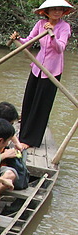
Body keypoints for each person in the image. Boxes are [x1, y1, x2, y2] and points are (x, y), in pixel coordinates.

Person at [10, 0, 74, 149]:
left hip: (52, 72)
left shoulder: (64, 27)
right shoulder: (40, 24)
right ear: (47, 11)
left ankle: (31, 141)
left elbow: (60, 48)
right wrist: (17, 39)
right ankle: (23, 135)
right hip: (37, 67)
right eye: (53, 9)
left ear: (63, 12)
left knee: (41, 105)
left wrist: (52, 35)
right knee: (29, 101)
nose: (56, 12)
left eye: (59, 10)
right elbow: (29, 41)